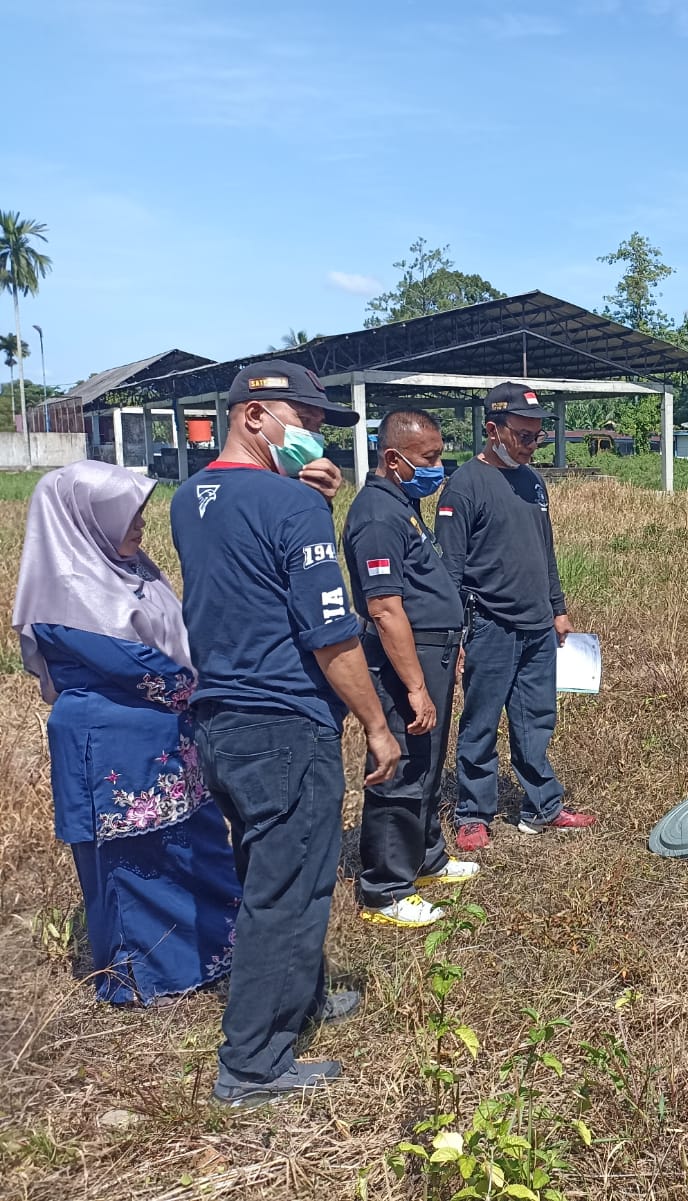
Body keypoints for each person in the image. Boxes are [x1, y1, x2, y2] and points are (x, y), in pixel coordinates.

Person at [171, 360, 401, 1107]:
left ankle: (296, 1000)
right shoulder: (291, 507)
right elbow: (331, 632)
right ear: (255, 416)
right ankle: (253, 1062)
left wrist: (301, 503)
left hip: (221, 721)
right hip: (283, 724)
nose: (312, 438)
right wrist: (376, 723)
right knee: (292, 886)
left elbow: (249, 574)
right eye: (302, 422)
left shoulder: (189, 497)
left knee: (264, 868)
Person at [12, 461, 240, 1007]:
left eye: (139, 512)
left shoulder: (132, 569)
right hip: (112, 744)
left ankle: (212, 954)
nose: (139, 525)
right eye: (126, 515)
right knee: (132, 863)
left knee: (190, 845)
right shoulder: (64, 590)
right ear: (84, 520)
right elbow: (141, 669)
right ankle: (146, 982)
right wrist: (209, 689)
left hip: (168, 741)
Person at [437, 382, 594, 852]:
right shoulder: (464, 486)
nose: (531, 445)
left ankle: (543, 806)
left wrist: (558, 609)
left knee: (536, 719)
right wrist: (457, 634)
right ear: (492, 430)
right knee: (481, 721)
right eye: (523, 436)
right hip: (489, 625)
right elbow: (451, 569)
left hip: (537, 626)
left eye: (537, 437)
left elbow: (544, 551)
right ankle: (473, 813)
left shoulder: (533, 482)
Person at [343, 409, 478, 929]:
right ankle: (385, 888)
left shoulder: (404, 506)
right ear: (393, 458)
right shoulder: (377, 515)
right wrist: (416, 686)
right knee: (399, 766)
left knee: (426, 759)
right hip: (405, 661)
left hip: (431, 652)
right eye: (429, 458)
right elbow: (385, 608)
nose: (438, 467)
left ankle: (425, 859)